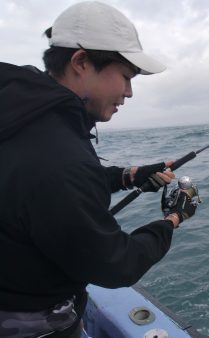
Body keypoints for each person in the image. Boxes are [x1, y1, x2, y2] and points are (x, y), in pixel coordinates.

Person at [0, 2, 197, 337]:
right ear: (81, 62)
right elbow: (115, 264)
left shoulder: (26, 120)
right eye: (125, 77)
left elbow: (58, 188)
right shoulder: (56, 153)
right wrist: (173, 218)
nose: (129, 93)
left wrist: (129, 176)